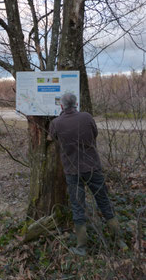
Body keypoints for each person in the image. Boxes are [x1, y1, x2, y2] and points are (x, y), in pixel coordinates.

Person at [49, 92, 127, 256]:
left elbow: (54, 139)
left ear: (62, 106)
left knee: (78, 207)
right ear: (76, 104)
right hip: (93, 168)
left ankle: (82, 247)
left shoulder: (56, 123)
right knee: (104, 201)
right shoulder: (87, 117)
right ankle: (119, 240)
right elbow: (94, 134)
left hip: (72, 171)